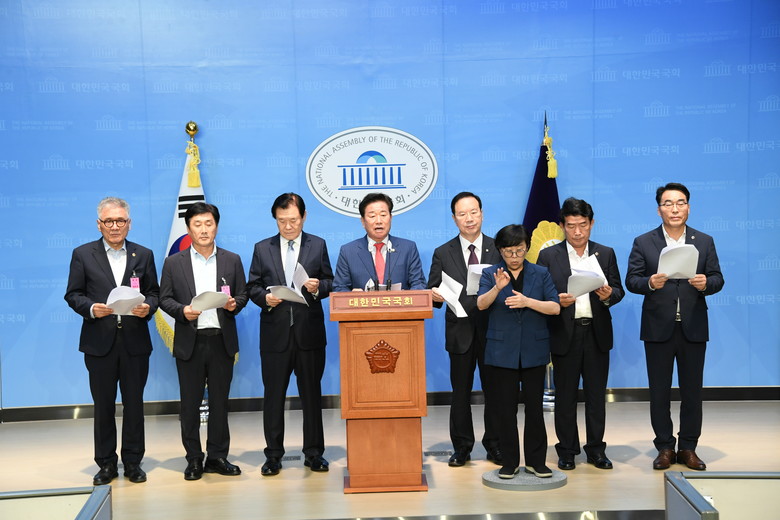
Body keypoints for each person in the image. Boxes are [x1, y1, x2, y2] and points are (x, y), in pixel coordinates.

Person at [626, 182, 724, 471]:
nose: (675, 208)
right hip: (658, 328)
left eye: (680, 203)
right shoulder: (644, 242)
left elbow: (718, 278)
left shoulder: (703, 241)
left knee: (692, 392)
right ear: (659, 210)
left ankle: (689, 447)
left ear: (688, 208)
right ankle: (665, 447)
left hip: (693, 327)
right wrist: (649, 283)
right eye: (668, 203)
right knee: (659, 392)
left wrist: (706, 283)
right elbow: (632, 280)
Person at [64, 196, 159, 485]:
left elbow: (154, 293)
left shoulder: (143, 255)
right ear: (99, 224)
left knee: (134, 404)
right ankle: (105, 464)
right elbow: (73, 294)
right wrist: (92, 308)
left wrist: (148, 307)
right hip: (99, 342)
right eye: (109, 221)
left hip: (135, 342)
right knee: (103, 405)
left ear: (129, 223)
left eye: (120, 220)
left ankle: (133, 462)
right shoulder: (83, 254)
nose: (115, 226)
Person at [159, 202, 248, 480]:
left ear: (216, 226)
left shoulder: (232, 260)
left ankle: (218, 457)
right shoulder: (174, 262)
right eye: (197, 224)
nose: (204, 229)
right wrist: (182, 311)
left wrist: (234, 304)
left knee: (220, 403)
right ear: (188, 229)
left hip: (221, 341)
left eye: (209, 223)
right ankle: (194, 458)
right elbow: (164, 298)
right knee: (190, 404)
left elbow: (243, 294)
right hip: (191, 341)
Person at [246, 193, 334, 477]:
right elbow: (252, 286)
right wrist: (265, 298)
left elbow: (331, 281)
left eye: (293, 220)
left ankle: (314, 453)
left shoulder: (317, 245)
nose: (288, 226)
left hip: (309, 333)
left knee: (312, 396)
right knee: (273, 397)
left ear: (304, 217)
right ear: (275, 219)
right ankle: (273, 455)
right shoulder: (262, 248)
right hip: (275, 335)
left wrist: (317, 287)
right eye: (282, 220)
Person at [537, 197, 624, 471]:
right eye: (571, 226)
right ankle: (567, 450)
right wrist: (557, 301)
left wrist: (609, 295)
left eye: (583, 225)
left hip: (596, 333)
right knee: (565, 397)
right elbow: (539, 293)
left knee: (596, 397)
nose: (577, 232)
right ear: (562, 226)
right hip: (565, 333)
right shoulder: (549, 256)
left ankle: (596, 450)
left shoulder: (605, 253)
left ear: (592, 224)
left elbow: (619, 290)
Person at [476, 225, 560, 479]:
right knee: (505, 409)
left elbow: (555, 307)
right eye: (509, 251)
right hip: (502, 351)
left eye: (520, 250)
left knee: (534, 409)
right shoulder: (490, 273)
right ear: (500, 250)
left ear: (527, 248)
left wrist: (527, 302)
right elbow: (480, 305)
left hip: (534, 349)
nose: (514, 256)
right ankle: (509, 462)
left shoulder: (540, 273)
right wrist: (496, 288)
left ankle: (536, 461)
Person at [427, 192, 502, 467]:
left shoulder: (498, 248)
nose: (469, 218)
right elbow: (432, 290)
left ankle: (495, 445)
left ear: (481, 213)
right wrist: (433, 295)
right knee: (460, 393)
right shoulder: (442, 252)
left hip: (493, 330)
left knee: (495, 392)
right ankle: (461, 447)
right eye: (462, 214)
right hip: (460, 331)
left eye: (473, 212)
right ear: (454, 218)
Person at [333, 192, 426, 291]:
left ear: (390, 218)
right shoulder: (348, 251)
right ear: (363, 221)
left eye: (383, 215)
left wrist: (406, 296)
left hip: (399, 301)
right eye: (372, 216)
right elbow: (339, 287)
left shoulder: (408, 248)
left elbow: (419, 283)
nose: (378, 221)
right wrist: (352, 296)